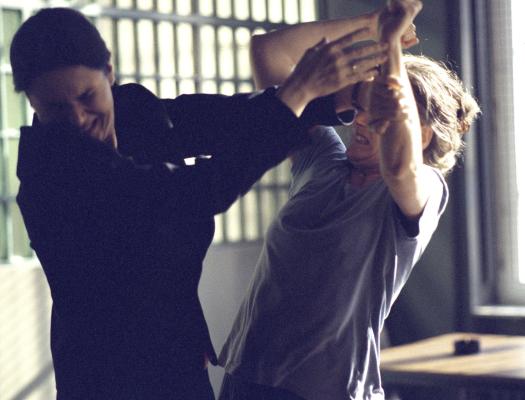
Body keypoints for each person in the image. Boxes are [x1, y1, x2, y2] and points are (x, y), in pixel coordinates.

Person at [10, 7, 392, 400]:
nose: (78, 119)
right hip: (109, 379)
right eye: (56, 109)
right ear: (34, 104)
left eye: (87, 96)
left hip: (179, 358)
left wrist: (337, 98)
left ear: (109, 72)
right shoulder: (51, 177)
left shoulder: (134, 112)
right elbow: (193, 193)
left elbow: (222, 119)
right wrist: (298, 93)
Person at [218, 1, 481, 400]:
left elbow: (400, 166)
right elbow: (269, 52)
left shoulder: (424, 187)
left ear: (423, 136)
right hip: (247, 379)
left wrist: (392, 48)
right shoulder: (322, 160)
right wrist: (371, 26)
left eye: (376, 112)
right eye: (361, 106)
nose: (359, 119)